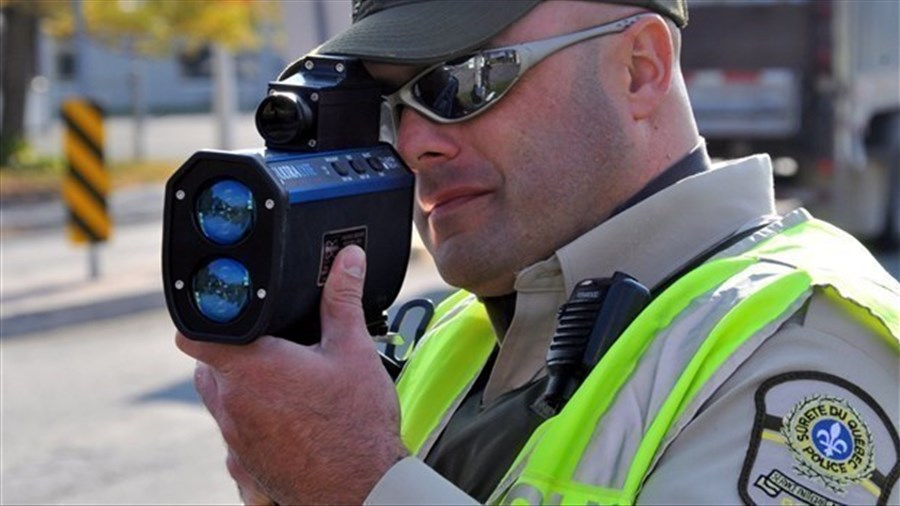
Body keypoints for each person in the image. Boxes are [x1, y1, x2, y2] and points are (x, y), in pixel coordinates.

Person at [176, 0, 900, 504]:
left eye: (462, 84)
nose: (414, 142)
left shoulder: (805, 344)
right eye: (389, 108)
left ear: (639, 68)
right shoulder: (460, 332)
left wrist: (354, 482)